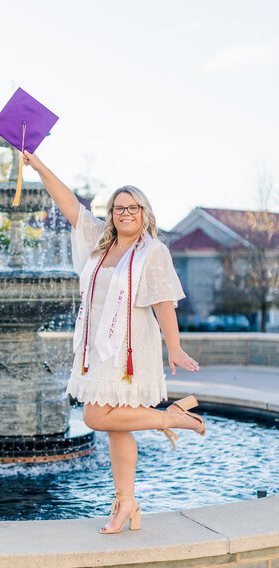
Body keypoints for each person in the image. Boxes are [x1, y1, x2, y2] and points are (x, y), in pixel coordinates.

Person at [23, 150, 205, 534]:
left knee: (93, 416)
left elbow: (163, 303)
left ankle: (170, 418)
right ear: (111, 215)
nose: (125, 213)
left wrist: (174, 347)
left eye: (132, 207)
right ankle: (126, 503)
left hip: (130, 352)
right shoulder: (98, 244)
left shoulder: (153, 252)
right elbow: (69, 202)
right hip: (95, 350)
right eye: (118, 208)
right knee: (115, 428)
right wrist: (38, 166)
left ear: (144, 213)